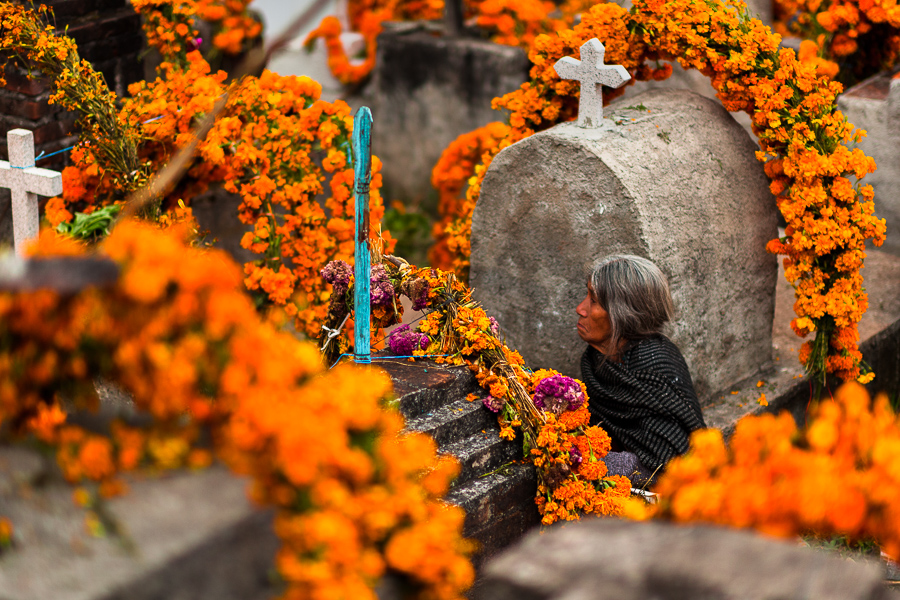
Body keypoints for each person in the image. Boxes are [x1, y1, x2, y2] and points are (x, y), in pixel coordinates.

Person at [575, 254, 706, 486]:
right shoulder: (597, 359)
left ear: (622, 313)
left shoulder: (652, 363)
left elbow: (667, 462)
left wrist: (587, 461)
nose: (580, 309)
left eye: (593, 301)